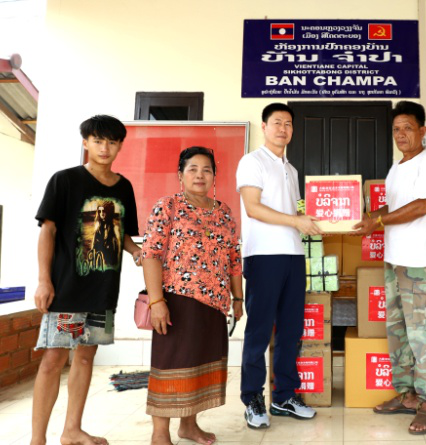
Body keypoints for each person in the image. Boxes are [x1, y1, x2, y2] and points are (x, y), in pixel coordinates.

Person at [32, 115, 141, 445]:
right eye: (98, 141)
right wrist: (44, 280)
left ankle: (72, 431)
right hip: (67, 289)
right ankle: (37, 439)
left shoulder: (124, 187)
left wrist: (138, 252)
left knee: (85, 357)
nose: (105, 148)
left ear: (120, 146)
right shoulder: (65, 180)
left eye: (112, 142)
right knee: (53, 360)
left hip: (103, 291)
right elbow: (48, 231)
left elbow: (122, 235)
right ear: (86, 143)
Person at [354, 101, 426, 435]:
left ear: (423, 130)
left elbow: (422, 206)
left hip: (420, 264)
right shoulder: (398, 167)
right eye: (396, 129)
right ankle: (408, 395)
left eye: (408, 127)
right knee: (400, 334)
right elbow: (393, 207)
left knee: (425, 337)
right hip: (395, 262)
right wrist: (366, 217)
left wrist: (377, 221)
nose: (401, 134)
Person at [141, 146, 244, 445]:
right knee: (170, 364)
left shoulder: (224, 213)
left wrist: (238, 299)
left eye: (207, 170)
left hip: (214, 303)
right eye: (193, 169)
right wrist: (157, 302)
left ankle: (189, 426)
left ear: (214, 176)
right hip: (176, 300)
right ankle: (160, 434)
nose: (200, 175)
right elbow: (150, 254)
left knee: (199, 364)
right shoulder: (168, 206)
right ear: (180, 175)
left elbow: (234, 260)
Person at [236, 103, 322, 429]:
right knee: (259, 330)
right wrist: (297, 221)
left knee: (290, 330)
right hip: (263, 255)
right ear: (264, 126)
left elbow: (295, 211)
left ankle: (284, 396)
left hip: (293, 255)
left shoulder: (292, 169)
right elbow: (253, 208)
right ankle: (252, 398)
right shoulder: (252, 162)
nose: (283, 129)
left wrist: (318, 218)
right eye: (276, 123)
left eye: (288, 124)